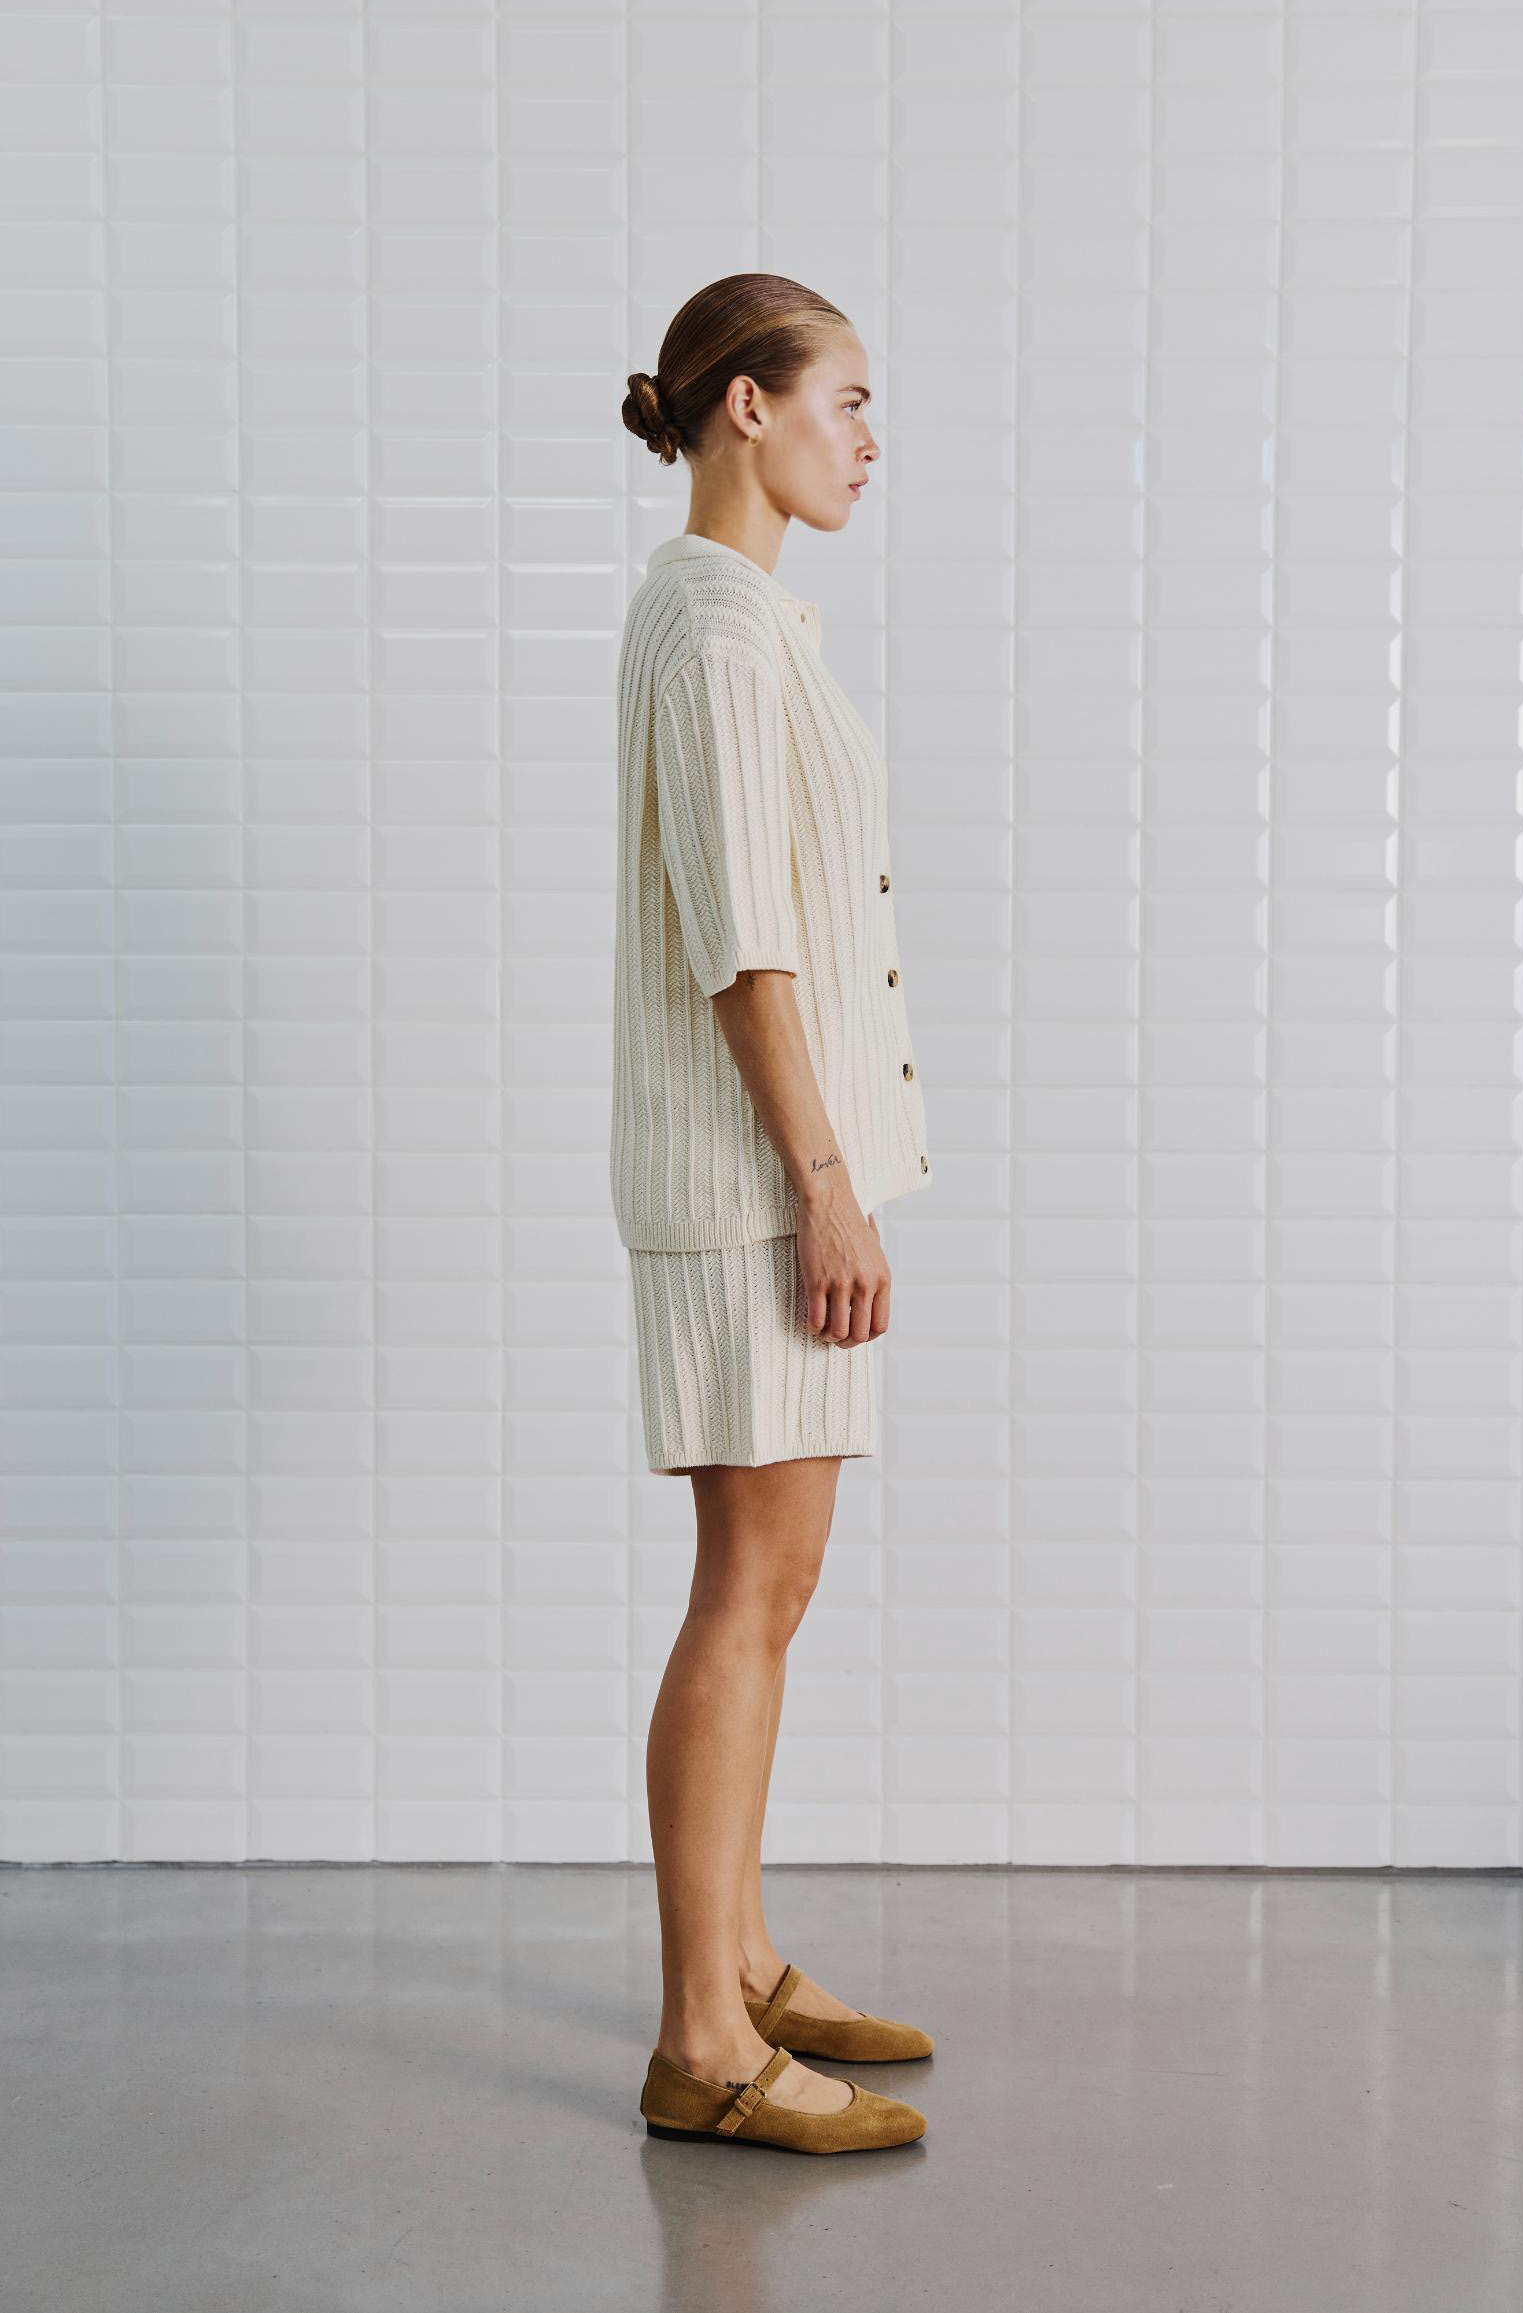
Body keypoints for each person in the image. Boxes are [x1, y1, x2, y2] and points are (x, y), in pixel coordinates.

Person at [610, 274, 936, 2154]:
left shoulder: (737, 618)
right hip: (755, 1181)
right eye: (848, 401)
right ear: (749, 406)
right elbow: (744, 945)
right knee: (750, 1585)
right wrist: (824, 1187)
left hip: (771, 1171)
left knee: (772, 1580)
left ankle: (735, 1964)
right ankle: (700, 2044)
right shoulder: (717, 632)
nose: (869, 440)